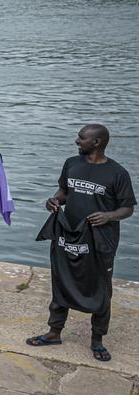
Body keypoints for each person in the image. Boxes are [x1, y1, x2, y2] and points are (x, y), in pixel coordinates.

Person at [27, 124, 134, 363]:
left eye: (81, 138)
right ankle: (54, 332)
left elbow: (127, 208)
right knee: (61, 280)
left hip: (99, 240)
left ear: (97, 142)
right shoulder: (72, 164)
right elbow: (64, 191)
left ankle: (97, 340)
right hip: (69, 233)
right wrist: (54, 201)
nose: (77, 141)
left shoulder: (117, 173)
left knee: (101, 289)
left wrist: (108, 216)